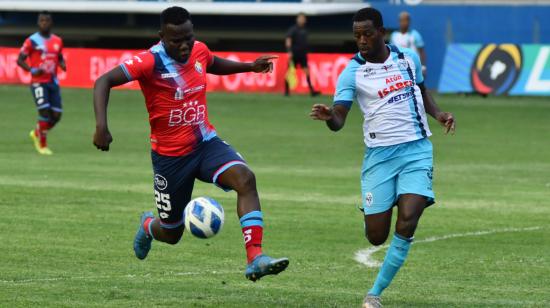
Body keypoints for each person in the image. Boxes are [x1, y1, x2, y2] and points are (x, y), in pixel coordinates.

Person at [92, 6, 289, 282]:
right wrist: (102, 125)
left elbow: (212, 62)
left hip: (205, 143)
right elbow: (104, 81)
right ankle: (148, 225)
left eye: (189, 37)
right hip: (170, 158)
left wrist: (248, 67)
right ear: (161, 36)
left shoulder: (198, 49)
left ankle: (255, 258)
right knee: (171, 234)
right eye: (176, 40)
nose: (185, 45)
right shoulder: (149, 62)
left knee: (245, 179)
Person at [310, 8, 455, 308]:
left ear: (381, 32)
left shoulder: (407, 58)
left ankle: (373, 294)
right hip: (380, 157)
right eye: (357, 35)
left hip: (416, 150)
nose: (361, 40)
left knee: (408, 221)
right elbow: (340, 117)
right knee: (376, 236)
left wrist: (439, 114)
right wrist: (328, 117)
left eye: (367, 33)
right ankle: (381, 201)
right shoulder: (352, 72)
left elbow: (422, 91)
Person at [17, 11, 66, 155]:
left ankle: (37, 132)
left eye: (47, 21)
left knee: (56, 116)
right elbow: (20, 60)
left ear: (51, 23)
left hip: (53, 82)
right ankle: (42, 145)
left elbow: (60, 57)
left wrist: (62, 64)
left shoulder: (57, 40)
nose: (44, 23)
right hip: (38, 82)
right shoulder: (31, 41)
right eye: (42, 21)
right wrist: (32, 70)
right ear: (38, 23)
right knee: (44, 112)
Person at [284, 12, 320, 97]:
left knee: (307, 72)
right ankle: (286, 91)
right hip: (294, 54)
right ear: (297, 19)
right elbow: (288, 40)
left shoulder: (305, 30)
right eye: (301, 18)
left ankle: (312, 91)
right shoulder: (293, 29)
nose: (302, 20)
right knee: (290, 72)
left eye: (303, 18)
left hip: (302, 54)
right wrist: (289, 51)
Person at [390, 11, 427, 76]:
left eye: (406, 20)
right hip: (398, 68)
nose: (404, 23)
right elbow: (391, 52)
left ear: (409, 22)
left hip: (414, 67)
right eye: (402, 20)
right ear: (399, 21)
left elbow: (421, 52)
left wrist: (423, 66)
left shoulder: (415, 34)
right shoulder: (394, 35)